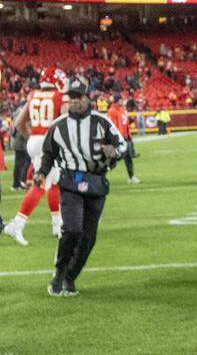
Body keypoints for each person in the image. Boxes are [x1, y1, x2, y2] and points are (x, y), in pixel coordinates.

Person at [38, 76, 126, 297]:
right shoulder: (58, 126)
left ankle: (71, 277)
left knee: (89, 237)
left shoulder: (102, 122)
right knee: (72, 229)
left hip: (96, 182)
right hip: (70, 181)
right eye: (72, 98)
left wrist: (113, 152)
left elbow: (122, 145)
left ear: (89, 98)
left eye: (79, 97)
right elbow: (49, 153)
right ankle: (59, 272)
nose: (75, 102)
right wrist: (42, 172)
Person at [4, 68, 68, 246]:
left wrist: (33, 135)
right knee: (40, 184)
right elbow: (65, 123)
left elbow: (18, 123)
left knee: (54, 182)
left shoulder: (33, 94)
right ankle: (17, 224)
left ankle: (57, 224)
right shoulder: (59, 96)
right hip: (48, 142)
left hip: (35, 139)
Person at [107, 94, 139, 184]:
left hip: (126, 137)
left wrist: (129, 135)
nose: (123, 101)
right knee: (115, 158)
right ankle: (101, 174)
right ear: (118, 100)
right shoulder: (112, 111)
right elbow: (112, 126)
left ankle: (131, 177)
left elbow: (126, 124)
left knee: (128, 157)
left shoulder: (122, 110)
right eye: (121, 100)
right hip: (119, 139)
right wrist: (116, 139)